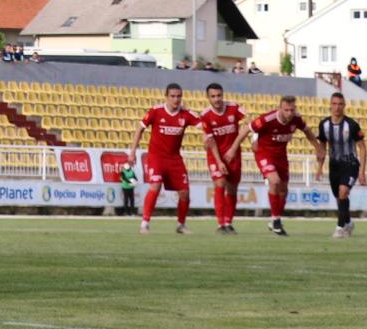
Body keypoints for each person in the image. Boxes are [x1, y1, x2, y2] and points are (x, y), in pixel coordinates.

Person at [128, 83, 199, 234]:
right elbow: (140, 129)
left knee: (185, 193)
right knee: (155, 185)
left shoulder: (185, 114)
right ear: (166, 97)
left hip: (174, 159)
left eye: (179, 96)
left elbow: (203, 125)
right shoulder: (156, 111)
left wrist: (194, 113)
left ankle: (181, 225)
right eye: (172, 96)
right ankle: (145, 223)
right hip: (156, 157)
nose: (176, 99)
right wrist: (132, 152)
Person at [238, 95, 312, 236]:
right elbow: (248, 128)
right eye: (286, 110)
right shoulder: (269, 118)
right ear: (280, 108)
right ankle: (276, 220)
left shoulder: (296, 119)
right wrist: (234, 149)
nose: (289, 113)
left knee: (284, 190)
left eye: (292, 110)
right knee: (274, 181)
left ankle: (275, 219)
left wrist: (317, 147)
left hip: (281, 157)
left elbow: (307, 131)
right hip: (264, 153)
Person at [196, 82, 247, 234]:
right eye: (213, 96)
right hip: (215, 155)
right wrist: (219, 161)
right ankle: (220, 224)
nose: (217, 99)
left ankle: (228, 222)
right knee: (220, 183)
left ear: (222, 95)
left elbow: (247, 125)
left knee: (232, 189)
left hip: (234, 155)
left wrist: (233, 150)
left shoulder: (234, 108)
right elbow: (210, 142)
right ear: (208, 98)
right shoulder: (205, 116)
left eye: (219, 95)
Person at [316, 91, 367, 238]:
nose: (337, 107)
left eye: (340, 104)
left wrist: (362, 171)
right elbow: (322, 147)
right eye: (334, 104)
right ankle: (348, 222)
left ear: (344, 106)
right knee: (340, 198)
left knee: (343, 192)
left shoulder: (351, 125)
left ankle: (339, 228)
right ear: (330, 106)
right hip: (334, 166)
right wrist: (320, 167)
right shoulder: (324, 125)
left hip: (350, 164)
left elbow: (362, 147)